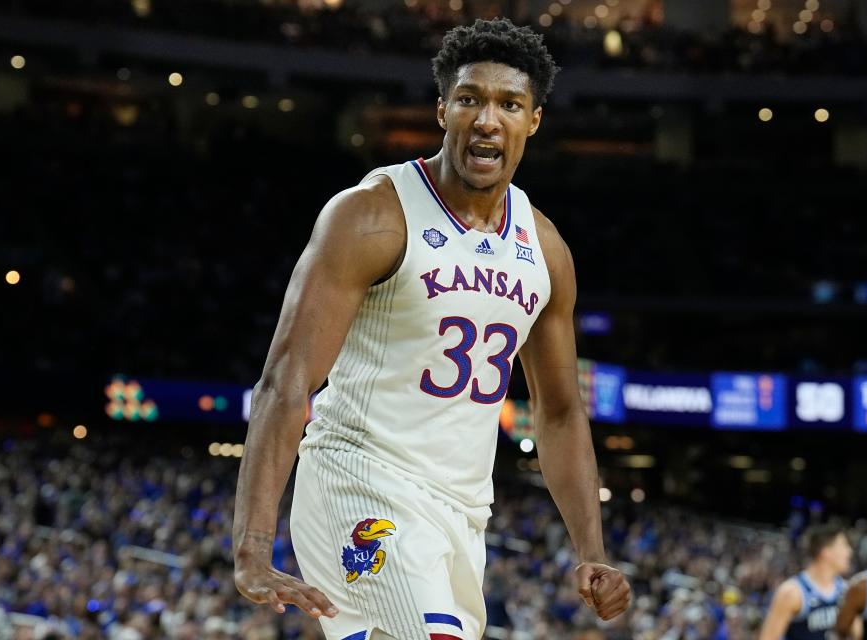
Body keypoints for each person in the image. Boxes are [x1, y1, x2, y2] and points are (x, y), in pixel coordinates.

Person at [231, 17, 631, 640]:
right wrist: (253, 543)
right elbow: (286, 381)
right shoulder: (371, 215)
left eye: (509, 104)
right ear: (443, 110)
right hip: (358, 482)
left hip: (462, 516)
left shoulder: (545, 248)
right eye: (470, 99)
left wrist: (591, 550)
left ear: (533, 121)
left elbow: (558, 413)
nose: (487, 119)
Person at [759, 524, 852, 640]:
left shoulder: (846, 590)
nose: (849, 552)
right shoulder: (792, 592)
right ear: (826, 551)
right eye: (843, 546)